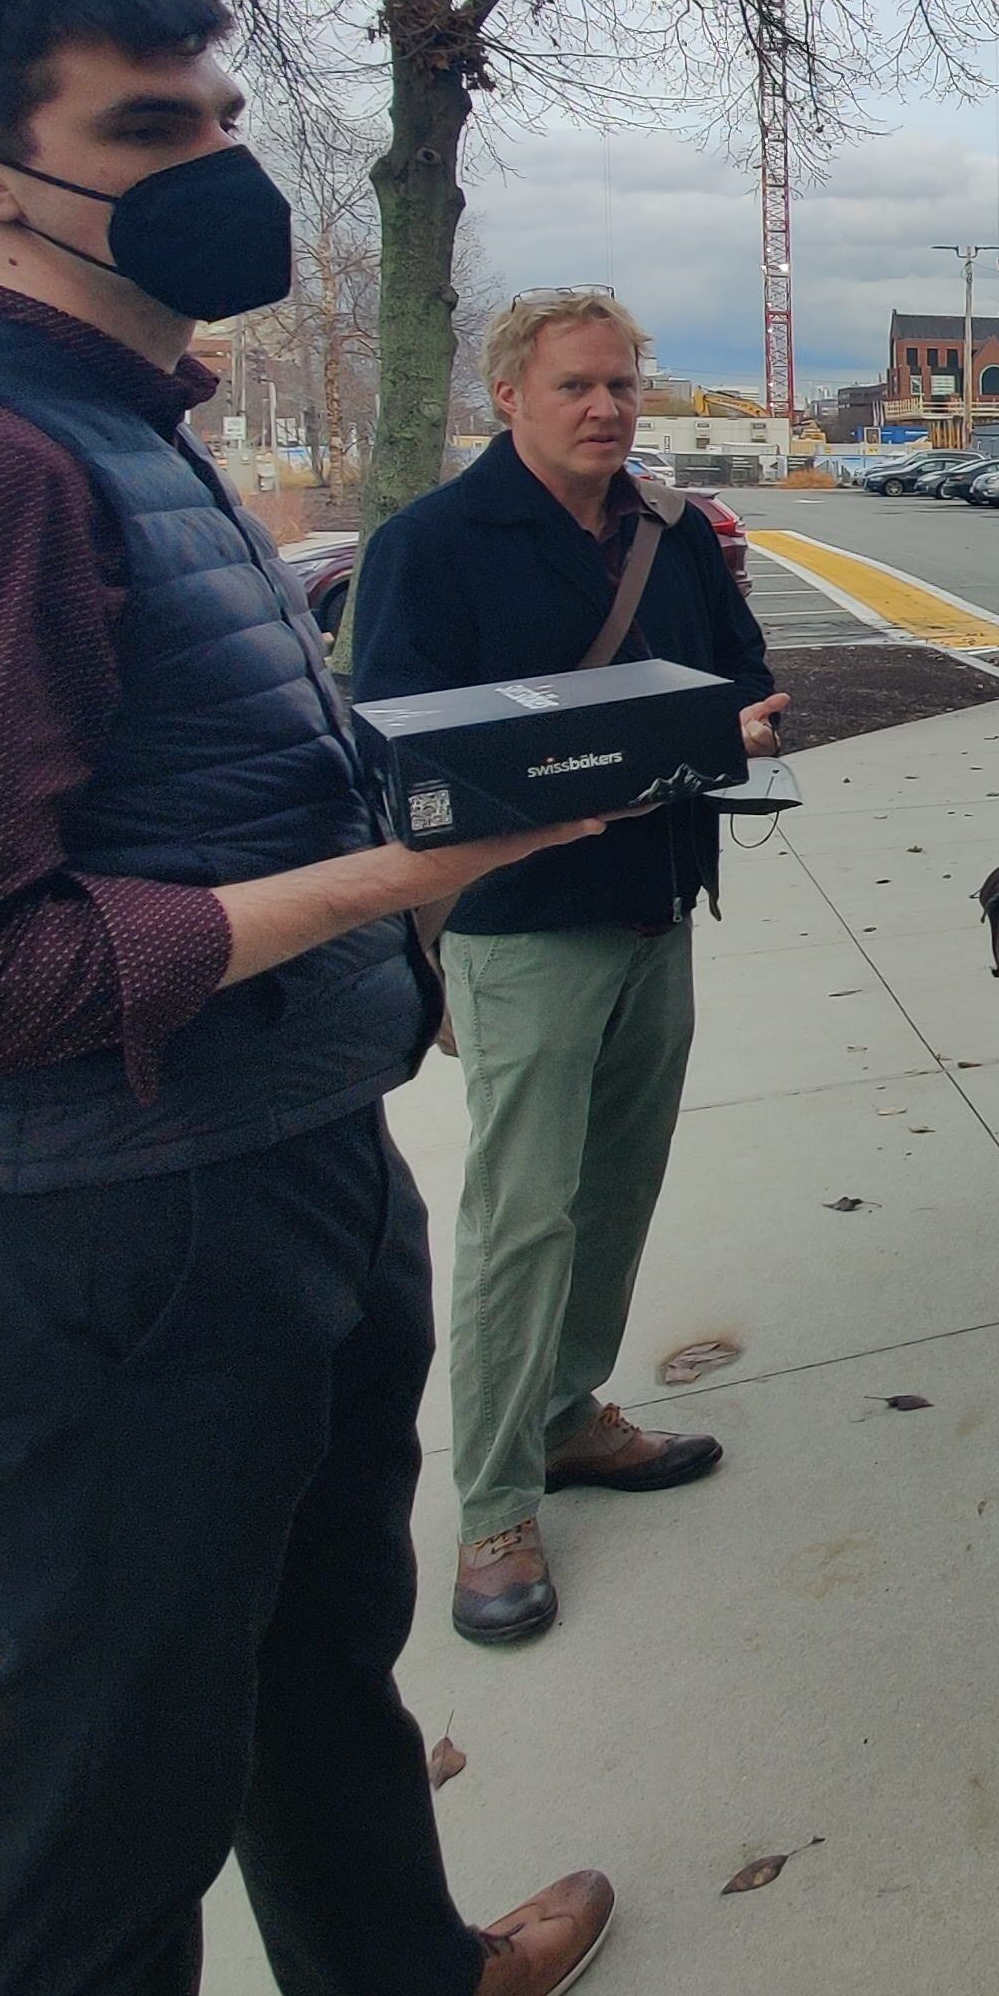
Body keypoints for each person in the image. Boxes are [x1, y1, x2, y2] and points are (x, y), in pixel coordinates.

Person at [0, 0, 612, 1996]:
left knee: (316, 1649)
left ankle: (400, 1967)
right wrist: (380, 888)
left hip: (277, 1159)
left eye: (220, 118)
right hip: (120, 1239)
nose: (223, 166)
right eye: (148, 131)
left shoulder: (121, 419)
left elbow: (167, 770)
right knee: (111, 1795)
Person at [351, 286, 788, 1647]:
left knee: (613, 1189)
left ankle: (566, 1414)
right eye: (576, 388)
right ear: (508, 396)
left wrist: (738, 732)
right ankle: (490, 1503)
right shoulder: (432, 545)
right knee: (519, 1215)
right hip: (525, 924)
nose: (606, 408)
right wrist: (588, 759)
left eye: (621, 386)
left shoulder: (673, 536)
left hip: (656, 903)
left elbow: (744, 683)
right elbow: (402, 754)